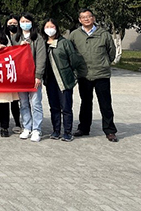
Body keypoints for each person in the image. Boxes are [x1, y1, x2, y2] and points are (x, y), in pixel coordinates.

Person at [68, 8, 118, 142]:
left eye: (89, 16)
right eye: (83, 17)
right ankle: (84, 128)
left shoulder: (104, 34)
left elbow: (111, 52)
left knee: (105, 104)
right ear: (80, 20)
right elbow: (71, 52)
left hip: (101, 74)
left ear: (93, 18)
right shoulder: (74, 35)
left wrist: (105, 63)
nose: (86, 19)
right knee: (85, 103)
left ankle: (110, 130)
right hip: (84, 74)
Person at [43, 18, 86, 142]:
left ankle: (67, 132)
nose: (49, 29)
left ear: (57, 28)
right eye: (47, 27)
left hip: (63, 80)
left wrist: (72, 75)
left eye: (52, 26)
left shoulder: (64, 43)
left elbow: (74, 60)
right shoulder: (43, 43)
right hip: (50, 80)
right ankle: (56, 130)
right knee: (54, 107)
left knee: (66, 107)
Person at [12, 12, 46, 142]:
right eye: (22, 21)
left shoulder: (38, 38)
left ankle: (37, 129)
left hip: (33, 76)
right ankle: (27, 127)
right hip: (21, 77)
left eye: (27, 21)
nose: (25, 24)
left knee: (36, 103)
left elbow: (41, 58)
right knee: (24, 103)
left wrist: (38, 76)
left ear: (32, 23)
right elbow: (11, 55)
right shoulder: (15, 38)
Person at [5, 15, 23, 133]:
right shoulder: (3, 36)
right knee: (9, 99)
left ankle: (19, 122)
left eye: (15, 23)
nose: (12, 25)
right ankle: (9, 123)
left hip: (19, 71)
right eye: (10, 23)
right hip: (7, 71)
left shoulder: (22, 37)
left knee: (19, 99)